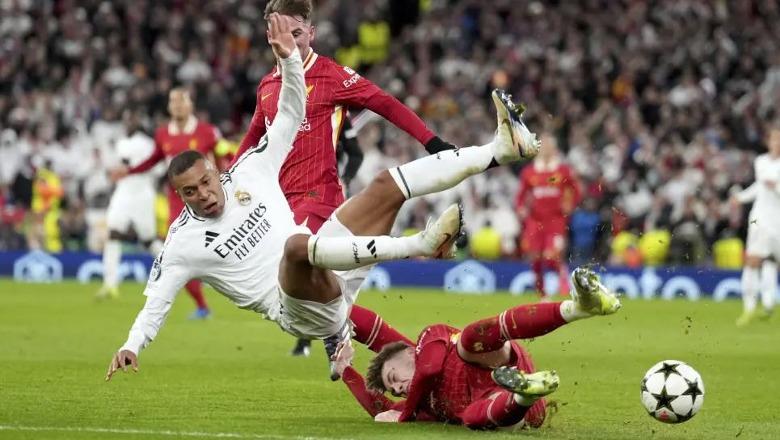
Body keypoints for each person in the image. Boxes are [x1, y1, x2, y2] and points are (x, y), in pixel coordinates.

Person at [105, 13, 540, 382]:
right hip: (295, 307)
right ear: (178, 195)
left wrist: (290, 61)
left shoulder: (249, 172)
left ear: (217, 172)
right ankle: (420, 247)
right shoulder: (182, 240)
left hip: (327, 252)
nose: (203, 195)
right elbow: (157, 301)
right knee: (297, 249)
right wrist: (131, 344)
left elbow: (291, 113)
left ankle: (499, 150)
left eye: (205, 183)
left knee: (386, 185)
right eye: (190, 193)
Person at [240, 0, 458, 358]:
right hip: (280, 203)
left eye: (298, 33)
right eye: (284, 34)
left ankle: (347, 331)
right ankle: (369, 343)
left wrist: (431, 141)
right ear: (270, 37)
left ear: (312, 33)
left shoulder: (331, 75)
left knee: (300, 268)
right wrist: (231, 180)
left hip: (319, 195)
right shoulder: (267, 85)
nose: (291, 42)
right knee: (311, 289)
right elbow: (252, 138)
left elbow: (384, 103)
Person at [332, 267, 620, 430]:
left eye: (394, 378)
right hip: (512, 411)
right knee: (469, 417)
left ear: (409, 353)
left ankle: (578, 308)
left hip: (497, 361)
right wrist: (344, 369)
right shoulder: (418, 405)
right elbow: (380, 410)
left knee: (469, 341)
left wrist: (332, 304)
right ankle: (524, 393)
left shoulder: (430, 338)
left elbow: (428, 368)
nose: (397, 390)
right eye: (394, 391)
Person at [110, 88, 220, 319]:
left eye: (182, 101)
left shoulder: (207, 132)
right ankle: (202, 305)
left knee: (210, 248)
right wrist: (128, 171)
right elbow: (154, 160)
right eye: (173, 101)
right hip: (178, 201)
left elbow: (223, 163)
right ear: (169, 107)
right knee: (177, 253)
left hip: (207, 198)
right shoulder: (162, 135)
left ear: (191, 105)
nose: (178, 105)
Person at [97, 111, 164, 299]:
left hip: (139, 194)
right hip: (128, 193)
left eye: (131, 119)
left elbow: (156, 167)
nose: (128, 123)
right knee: (114, 234)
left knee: (148, 240)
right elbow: (159, 170)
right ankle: (110, 284)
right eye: (127, 119)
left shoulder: (135, 144)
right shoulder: (140, 143)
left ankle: (178, 270)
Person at [515, 133, 581, 297]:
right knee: (536, 258)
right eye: (542, 146)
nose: (544, 149)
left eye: (547, 146)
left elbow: (576, 190)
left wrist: (570, 205)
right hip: (535, 220)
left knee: (552, 257)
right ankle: (542, 294)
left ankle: (564, 284)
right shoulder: (529, 172)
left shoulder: (562, 170)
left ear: (554, 149)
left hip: (556, 220)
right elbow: (520, 196)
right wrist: (521, 208)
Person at [730, 125, 780, 326]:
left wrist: (775, 185)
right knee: (752, 260)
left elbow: (771, 185)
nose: (776, 144)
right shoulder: (761, 162)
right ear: (768, 142)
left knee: (771, 263)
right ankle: (749, 307)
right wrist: (741, 198)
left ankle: (768, 304)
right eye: (774, 140)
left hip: (778, 221)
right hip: (760, 218)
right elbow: (760, 186)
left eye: (779, 140)